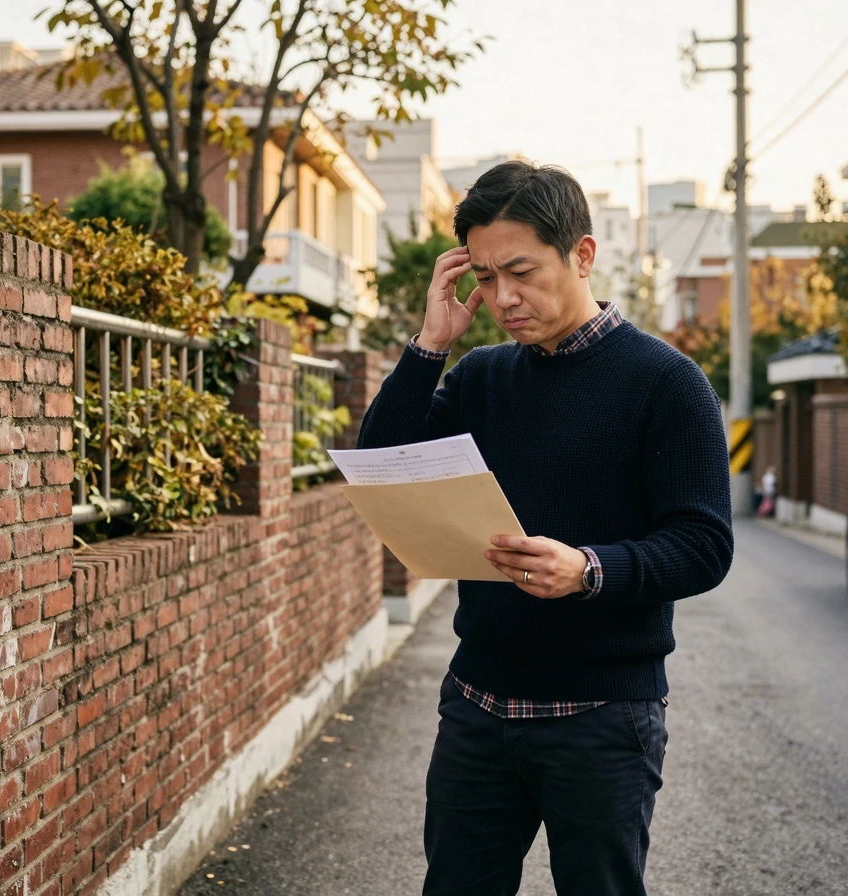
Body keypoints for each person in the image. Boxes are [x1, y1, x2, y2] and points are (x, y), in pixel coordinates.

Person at [357, 161, 734, 896]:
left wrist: (589, 570)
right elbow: (383, 466)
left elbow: (703, 545)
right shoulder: (481, 377)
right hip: (477, 703)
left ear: (582, 254)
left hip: (603, 717)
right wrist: (431, 344)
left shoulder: (668, 382)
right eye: (486, 277)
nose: (503, 297)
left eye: (521, 272)